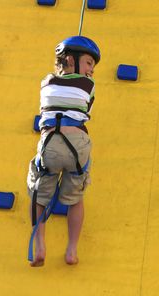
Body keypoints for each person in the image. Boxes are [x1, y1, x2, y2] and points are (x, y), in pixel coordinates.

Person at [27, 36, 101, 267]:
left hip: (51, 143)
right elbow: (86, 107)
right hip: (78, 144)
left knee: (38, 193)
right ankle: (71, 250)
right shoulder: (89, 87)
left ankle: (40, 245)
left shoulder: (46, 83)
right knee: (75, 198)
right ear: (71, 59)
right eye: (89, 63)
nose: (91, 70)